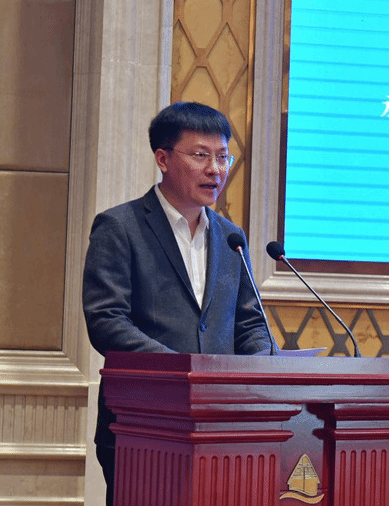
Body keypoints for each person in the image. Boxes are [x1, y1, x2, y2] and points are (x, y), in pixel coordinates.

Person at [82, 101, 276, 505]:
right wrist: (181, 372)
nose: (215, 169)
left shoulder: (230, 236)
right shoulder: (120, 227)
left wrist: (263, 366)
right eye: (200, 155)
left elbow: (249, 323)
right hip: (142, 422)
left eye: (223, 157)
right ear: (163, 159)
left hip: (223, 425)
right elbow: (106, 321)